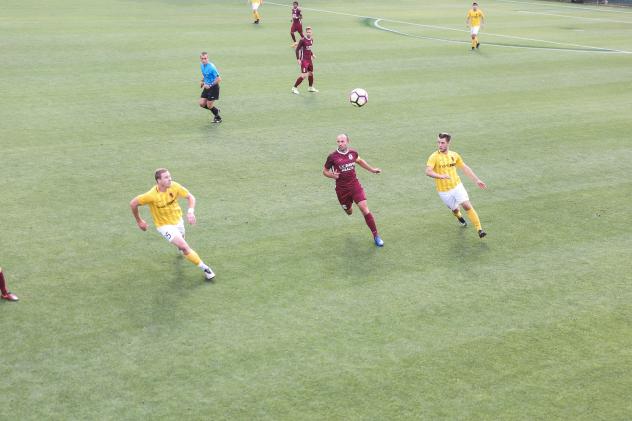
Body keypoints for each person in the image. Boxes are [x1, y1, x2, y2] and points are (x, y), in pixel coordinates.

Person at [130, 169, 216, 280]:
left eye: (169, 176)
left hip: (178, 220)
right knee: (184, 247)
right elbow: (133, 203)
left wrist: (190, 212)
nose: (169, 178)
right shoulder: (151, 195)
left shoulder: (175, 186)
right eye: (166, 177)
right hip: (164, 226)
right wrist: (139, 221)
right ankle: (206, 269)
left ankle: (182, 248)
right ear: (158, 180)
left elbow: (191, 197)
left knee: (182, 242)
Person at [323, 134, 384, 247]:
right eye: (338, 141)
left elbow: (360, 161)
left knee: (364, 209)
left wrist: (372, 170)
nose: (340, 143)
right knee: (349, 212)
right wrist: (332, 175)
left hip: (354, 186)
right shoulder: (332, 156)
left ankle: (376, 236)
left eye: (342, 141)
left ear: (347, 141)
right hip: (342, 190)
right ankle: (348, 207)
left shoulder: (353, 153)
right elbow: (325, 171)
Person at [425, 133, 487, 238]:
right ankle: (459, 216)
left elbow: (465, 168)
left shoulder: (454, 155)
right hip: (443, 191)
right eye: (438, 142)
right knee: (455, 209)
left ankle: (479, 230)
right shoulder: (433, 157)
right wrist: (441, 176)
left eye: (442, 142)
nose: (440, 145)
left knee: (467, 205)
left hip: (457, 186)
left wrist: (476, 180)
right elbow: (428, 171)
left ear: (448, 143)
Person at [292, 27, 318, 94]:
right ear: (305, 33)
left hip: (309, 60)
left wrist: (312, 54)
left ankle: (310, 87)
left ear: (311, 32)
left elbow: (309, 48)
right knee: (304, 75)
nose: (309, 33)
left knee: (311, 74)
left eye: (310, 32)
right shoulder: (302, 40)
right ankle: (294, 88)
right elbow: (297, 49)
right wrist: (298, 59)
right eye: (307, 32)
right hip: (304, 60)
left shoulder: (312, 39)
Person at [199, 52, 222, 124]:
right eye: (202, 59)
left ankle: (218, 118)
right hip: (206, 87)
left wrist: (210, 85)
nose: (203, 60)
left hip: (214, 87)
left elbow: (219, 79)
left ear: (208, 59)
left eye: (205, 58)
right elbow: (205, 75)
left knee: (209, 105)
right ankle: (216, 110)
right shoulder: (202, 66)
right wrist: (202, 81)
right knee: (202, 104)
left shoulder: (212, 67)